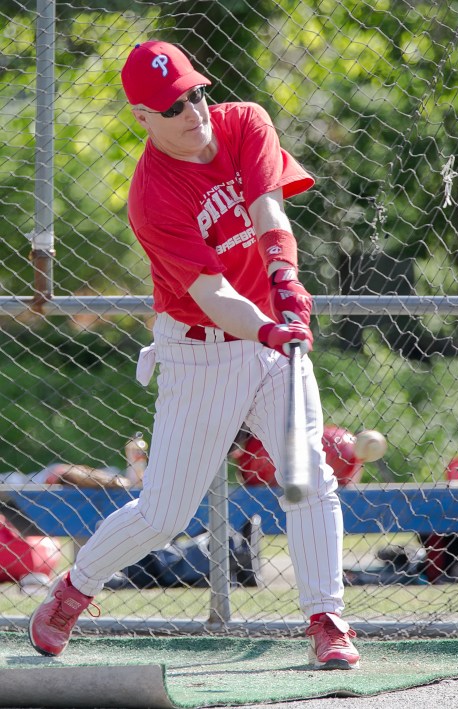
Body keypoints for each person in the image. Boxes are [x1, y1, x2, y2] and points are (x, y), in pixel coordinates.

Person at [28, 40, 360, 670]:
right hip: (202, 350)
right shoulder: (152, 195)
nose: (193, 109)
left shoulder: (245, 123)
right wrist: (268, 328)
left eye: (196, 92)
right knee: (163, 514)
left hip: (272, 338)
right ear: (142, 118)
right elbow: (211, 295)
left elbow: (268, 209)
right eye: (173, 104)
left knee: (308, 477)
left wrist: (285, 282)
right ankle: (72, 591)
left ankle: (327, 618)